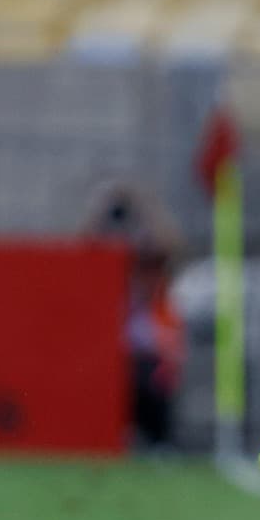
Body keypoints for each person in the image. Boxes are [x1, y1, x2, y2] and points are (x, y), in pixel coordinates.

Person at [80, 180, 185, 449]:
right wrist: (104, 207)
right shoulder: (104, 264)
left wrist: (142, 203)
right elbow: (82, 247)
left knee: (152, 379)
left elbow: (170, 243)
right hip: (108, 349)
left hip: (149, 351)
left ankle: (157, 440)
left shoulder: (152, 264)